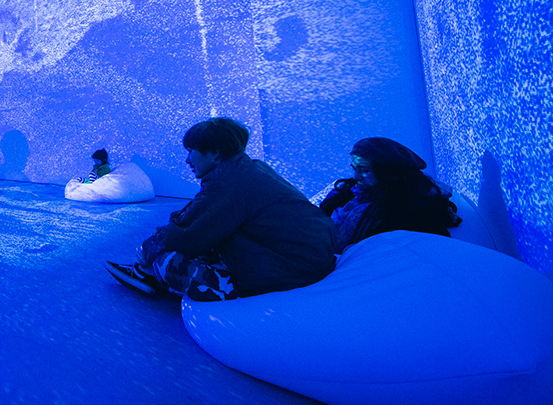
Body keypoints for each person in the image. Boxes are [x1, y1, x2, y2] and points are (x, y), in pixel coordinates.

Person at [105, 117, 336, 301]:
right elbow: (194, 215)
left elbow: (186, 234)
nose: (187, 160)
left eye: (191, 151)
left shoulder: (227, 182)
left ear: (215, 153)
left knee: (167, 260)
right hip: (312, 262)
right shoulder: (250, 169)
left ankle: (147, 275)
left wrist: (145, 252)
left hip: (290, 274)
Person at [319, 137, 460, 253]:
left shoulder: (418, 209)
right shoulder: (346, 192)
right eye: (354, 168)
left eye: (364, 169)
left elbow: (434, 249)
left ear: (388, 172)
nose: (356, 177)